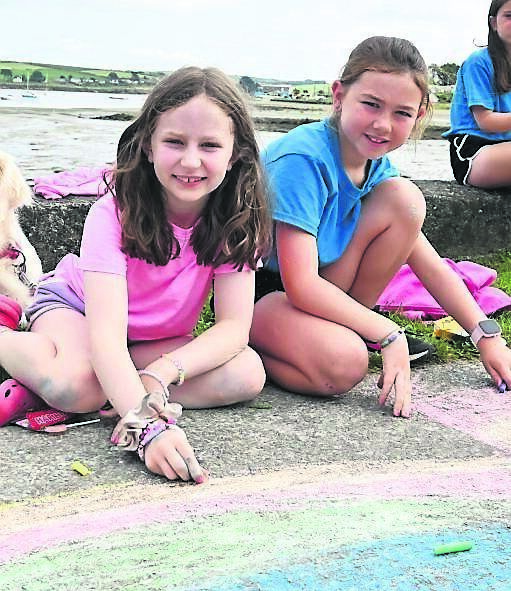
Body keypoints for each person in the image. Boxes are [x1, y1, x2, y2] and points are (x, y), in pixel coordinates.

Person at [0, 66, 272, 482]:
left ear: (235, 153)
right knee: (74, 387)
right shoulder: (112, 213)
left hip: (148, 338)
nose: (191, 160)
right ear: (147, 145)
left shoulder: (238, 218)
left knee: (247, 372)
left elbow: (234, 328)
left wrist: (159, 375)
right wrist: (148, 428)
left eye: (210, 145)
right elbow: (105, 338)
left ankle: (119, 387)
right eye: (175, 142)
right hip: (77, 310)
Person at [250, 36, 511, 419]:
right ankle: (255, 349)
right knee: (344, 365)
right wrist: (387, 334)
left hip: (326, 291)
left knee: (405, 199)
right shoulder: (302, 159)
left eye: (402, 113)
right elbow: (300, 285)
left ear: (419, 116)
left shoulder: (377, 166)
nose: (383, 124)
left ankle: (347, 331)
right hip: (267, 295)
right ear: (339, 96)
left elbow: (430, 264)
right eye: (370, 104)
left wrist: (486, 336)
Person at [445, 0, 511, 188]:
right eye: (509, 16)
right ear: (494, 23)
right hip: (474, 152)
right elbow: (486, 121)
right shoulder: (479, 62)